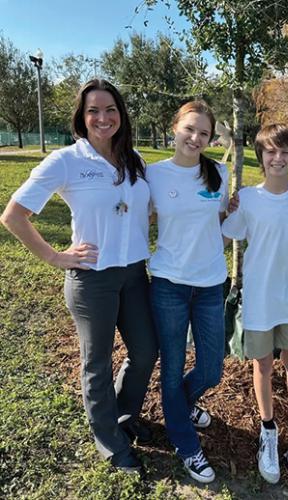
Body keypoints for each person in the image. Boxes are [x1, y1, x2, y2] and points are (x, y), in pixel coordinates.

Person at [0, 79, 158, 474]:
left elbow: (148, 210)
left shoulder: (135, 160)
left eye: (110, 110)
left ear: (121, 114)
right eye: (93, 111)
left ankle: (122, 416)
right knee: (97, 364)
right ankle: (111, 443)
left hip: (135, 273)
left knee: (145, 352)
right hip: (92, 281)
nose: (103, 118)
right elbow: (13, 216)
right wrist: (56, 256)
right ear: (82, 117)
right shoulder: (67, 161)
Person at [222, 124, 288, 484]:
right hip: (259, 297)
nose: (278, 158)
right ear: (261, 157)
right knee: (263, 365)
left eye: (285, 151)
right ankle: (268, 430)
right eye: (270, 152)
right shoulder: (248, 198)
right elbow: (227, 229)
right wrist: (226, 204)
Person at [147, 101, 228, 484]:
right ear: (174, 128)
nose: (195, 138)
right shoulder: (153, 175)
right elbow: (136, 216)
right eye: (189, 130)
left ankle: (179, 405)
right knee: (173, 366)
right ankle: (186, 445)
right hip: (168, 285)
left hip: (211, 284)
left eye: (203, 133)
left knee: (212, 369)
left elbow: (222, 218)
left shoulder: (220, 173)